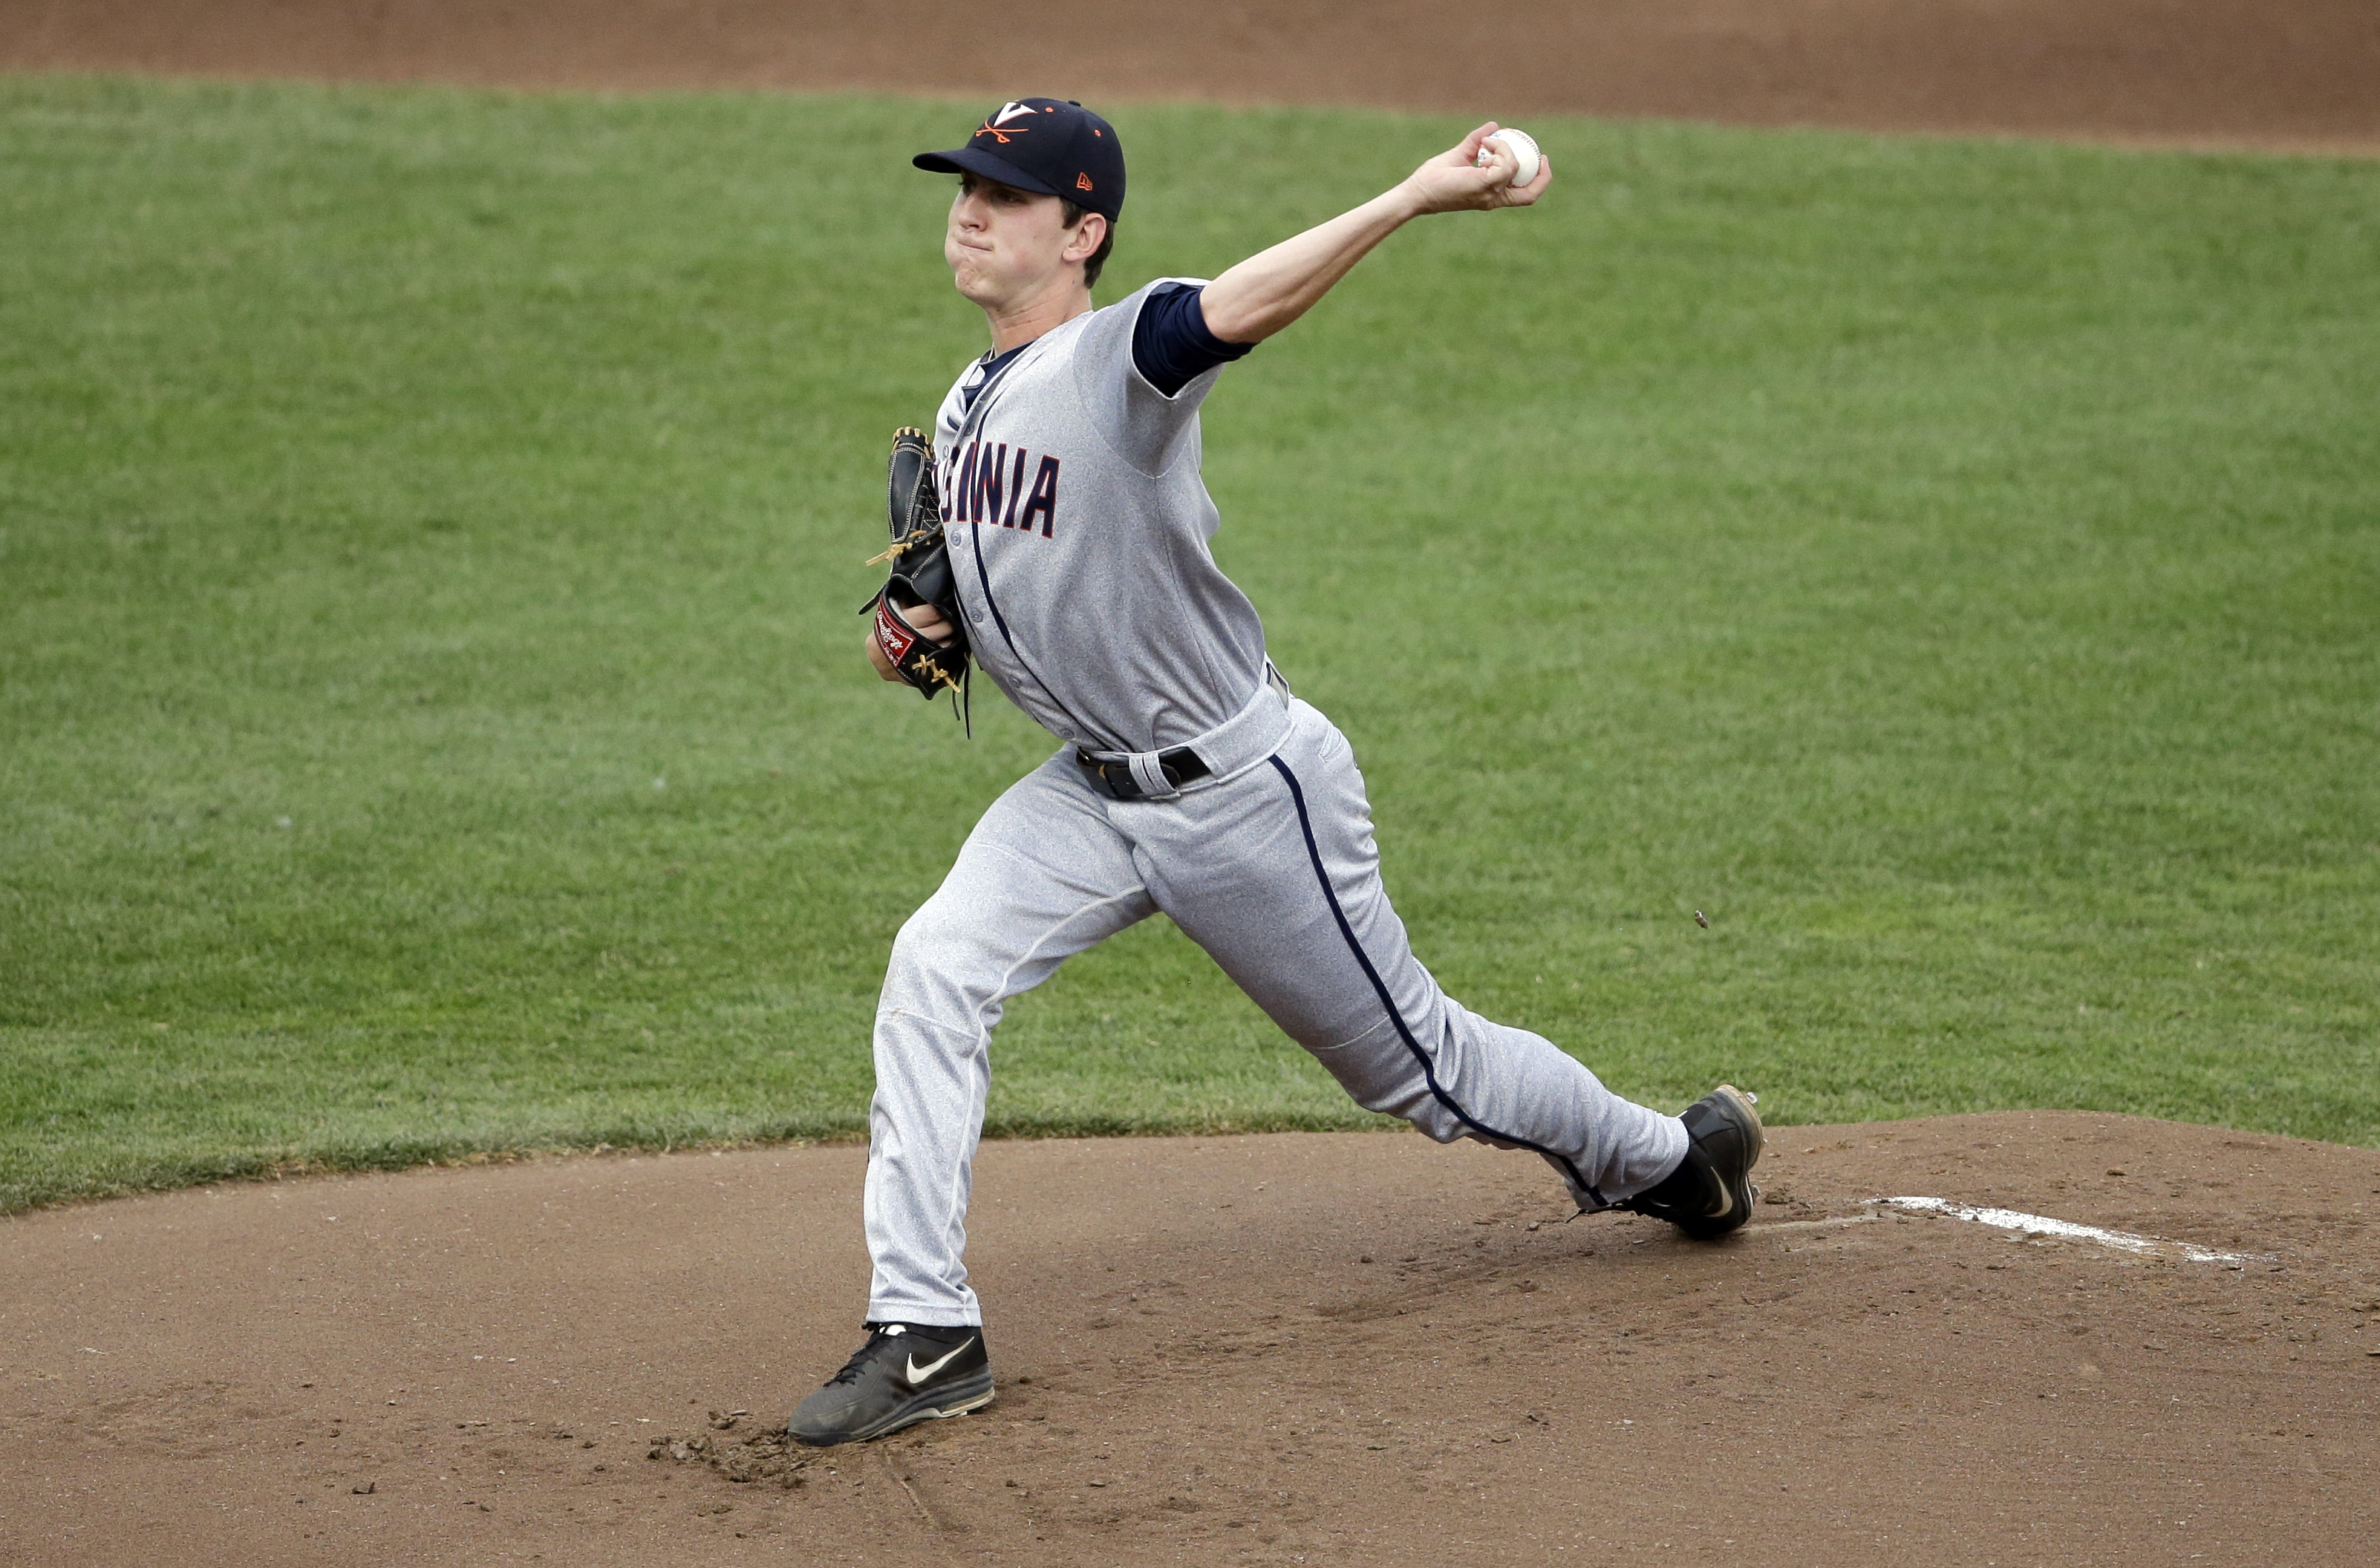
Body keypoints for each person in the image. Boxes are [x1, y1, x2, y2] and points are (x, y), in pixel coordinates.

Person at [789, 97, 1763, 1447]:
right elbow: (996, 595)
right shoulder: (970, 398)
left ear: (1082, 234)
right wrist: (928, 636)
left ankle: (1672, 1156)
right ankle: (924, 1330)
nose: (970, 211)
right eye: (966, 187)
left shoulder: (1117, 355)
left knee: (1422, 1071)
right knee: (933, 967)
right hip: (1089, 792)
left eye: (1007, 197)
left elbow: (1230, 308)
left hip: (1243, 798)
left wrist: (1411, 197)